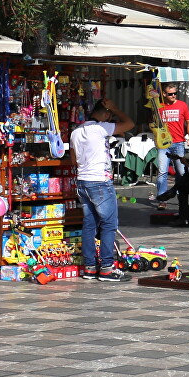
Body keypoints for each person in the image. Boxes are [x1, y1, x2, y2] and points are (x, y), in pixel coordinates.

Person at [70, 99, 134, 281]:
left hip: (83, 181)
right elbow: (130, 124)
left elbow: (74, 161)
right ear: (105, 114)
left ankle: (89, 267)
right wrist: (116, 108)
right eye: (110, 115)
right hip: (99, 181)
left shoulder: (75, 132)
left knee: (89, 225)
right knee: (108, 224)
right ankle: (106, 267)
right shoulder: (100, 128)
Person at [154, 84, 189, 210]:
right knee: (162, 171)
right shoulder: (159, 107)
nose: (173, 96)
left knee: (181, 172)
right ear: (164, 94)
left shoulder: (182, 105)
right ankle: (162, 199)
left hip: (178, 143)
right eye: (170, 94)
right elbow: (154, 124)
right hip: (163, 144)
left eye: (175, 93)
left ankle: (181, 196)